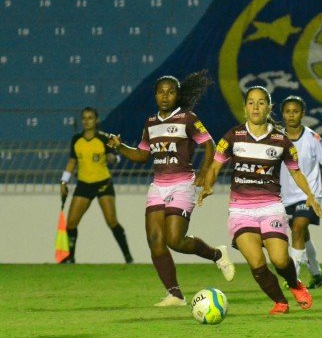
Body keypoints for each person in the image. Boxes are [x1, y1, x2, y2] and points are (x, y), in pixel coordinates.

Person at [107, 71, 235, 307]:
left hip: (182, 183)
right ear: (155, 95)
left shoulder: (187, 118)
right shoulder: (151, 123)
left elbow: (209, 144)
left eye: (171, 92)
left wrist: (205, 174)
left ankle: (216, 255)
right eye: (161, 92)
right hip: (158, 186)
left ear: (177, 95)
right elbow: (143, 155)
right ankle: (175, 294)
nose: (166, 96)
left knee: (174, 239)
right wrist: (120, 147)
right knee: (155, 239)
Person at [198, 85, 322, 315]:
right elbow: (215, 165)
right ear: (245, 108)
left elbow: (296, 172)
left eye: (261, 102)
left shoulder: (281, 141)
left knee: (280, 259)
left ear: (269, 107)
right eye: (251, 102)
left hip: (271, 208)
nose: (256, 107)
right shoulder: (233, 136)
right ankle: (280, 301)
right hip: (240, 211)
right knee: (256, 261)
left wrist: (310, 196)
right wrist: (208, 186)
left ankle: (295, 285)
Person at [279, 95, 322, 289]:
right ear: (283, 114)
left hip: (309, 195)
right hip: (285, 195)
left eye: (295, 111)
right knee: (302, 234)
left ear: (302, 114)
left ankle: (293, 278)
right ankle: (316, 274)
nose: (291, 115)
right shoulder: (277, 138)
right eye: (288, 111)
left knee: (298, 228)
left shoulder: (313, 138)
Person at [60, 107, 133, 264]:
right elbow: (72, 161)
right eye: (84, 118)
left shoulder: (103, 138)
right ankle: (70, 258)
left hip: (102, 183)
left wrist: (112, 158)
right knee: (71, 223)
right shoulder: (76, 139)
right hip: (84, 184)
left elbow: (115, 158)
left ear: (96, 120)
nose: (87, 121)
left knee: (111, 221)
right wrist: (63, 181)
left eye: (90, 118)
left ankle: (128, 257)